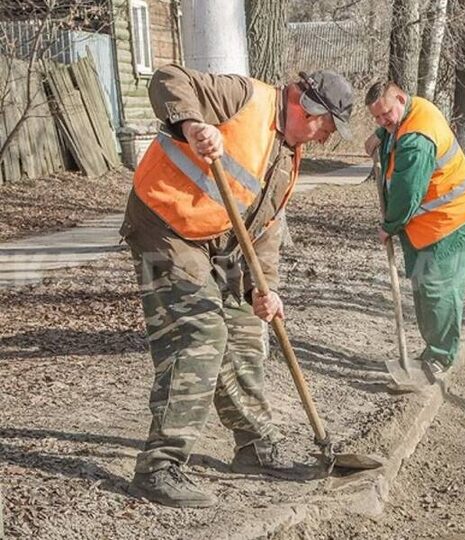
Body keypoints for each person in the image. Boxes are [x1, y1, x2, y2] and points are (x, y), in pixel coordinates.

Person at [120, 64, 355, 508]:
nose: (326, 137)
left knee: (247, 328)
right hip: (163, 225)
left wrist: (260, 290)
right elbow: (167, 78)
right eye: (327, 126)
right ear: (307, 107)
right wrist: (192, 126)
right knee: (200, 332)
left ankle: (254, 446)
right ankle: (159, 466)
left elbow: (264, 230)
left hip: (217, 243)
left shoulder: (286, 155)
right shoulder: (244, 96)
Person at [363, 81, 465, 379]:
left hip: (450, 221)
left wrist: (389, 226)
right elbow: (394, 126)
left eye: (385, 115)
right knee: (424, 285)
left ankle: (440, 357)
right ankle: (433, 348)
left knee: (437, 290)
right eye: (377, 119)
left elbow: (408, 193)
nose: (383, 121)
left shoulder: (416, 140)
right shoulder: (412, 109)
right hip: (431, 223)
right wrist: (380, 135)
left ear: (400, 97)